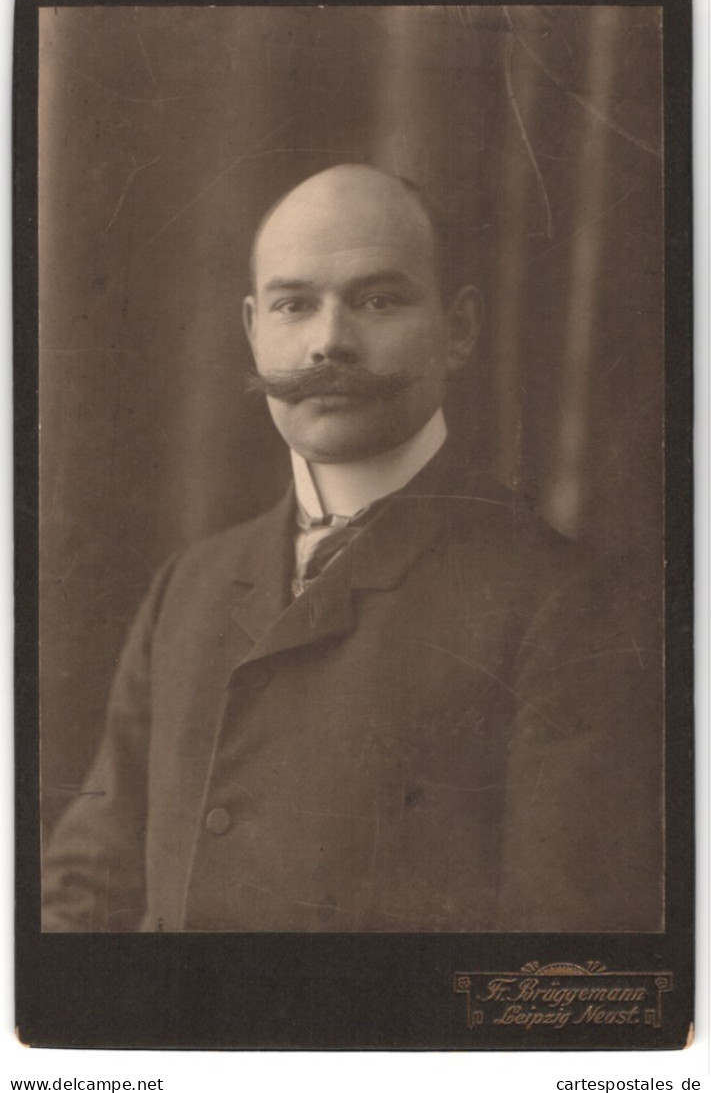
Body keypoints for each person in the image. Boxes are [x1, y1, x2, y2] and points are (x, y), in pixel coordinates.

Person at [42, 164, 662, 933]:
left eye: (376, 300)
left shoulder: (561, 602)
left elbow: (553, 964)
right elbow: (84, 895)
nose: (328, 341)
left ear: (459, 329)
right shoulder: (189, 586)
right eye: (293, 304)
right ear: (252, 328)